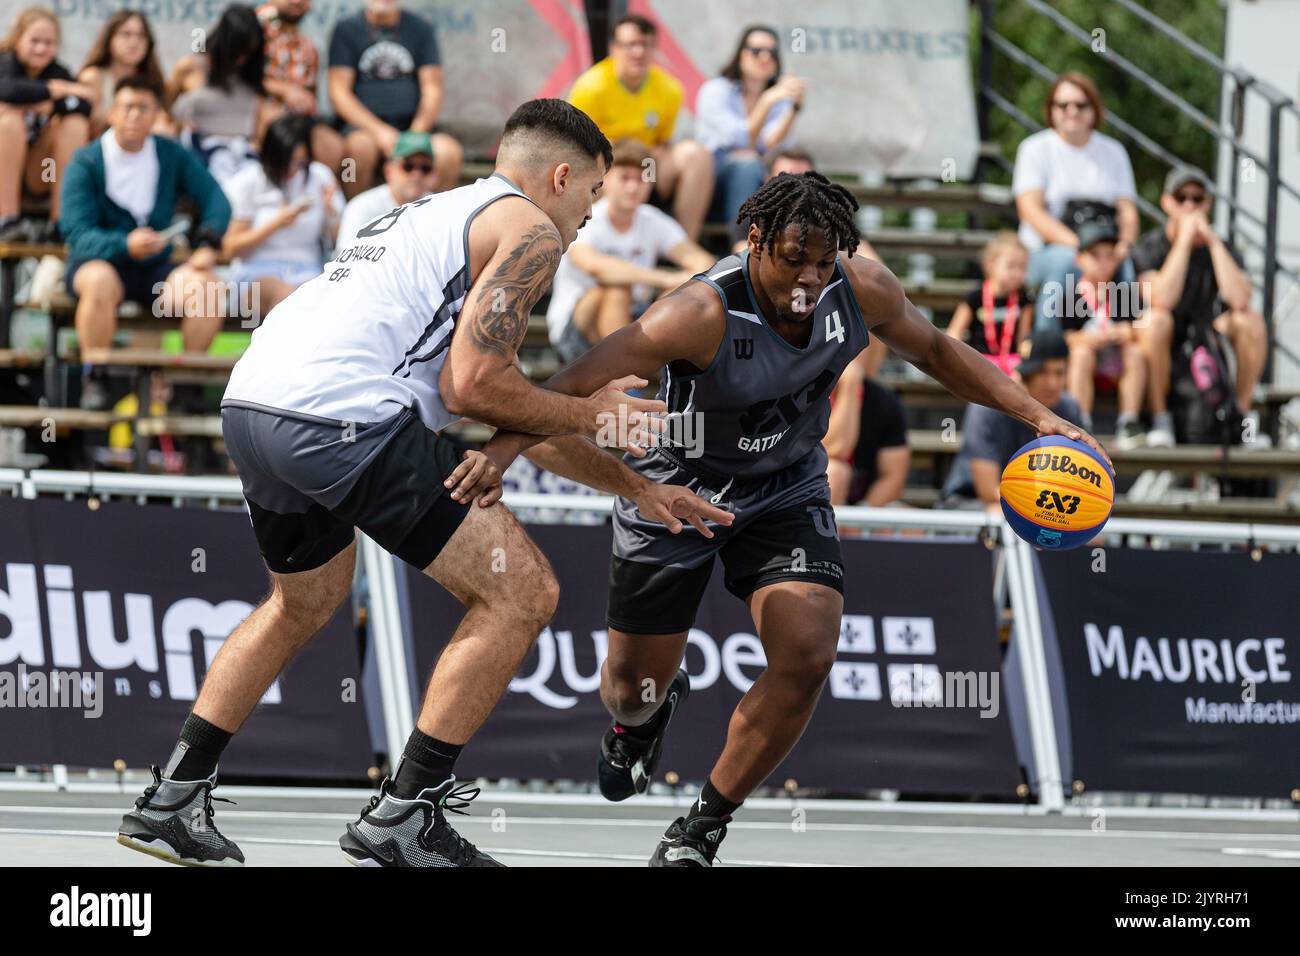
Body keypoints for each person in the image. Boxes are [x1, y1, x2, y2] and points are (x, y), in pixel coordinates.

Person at [114, 99, 730, 868]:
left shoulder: (433, 211)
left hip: (255, 404)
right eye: (593, 194)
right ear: (560, 177)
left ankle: (171, 797)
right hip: (339, 417)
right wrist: (586, 412)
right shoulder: (531, 230)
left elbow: (505, 401)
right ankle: (404, 813)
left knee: (299, 602)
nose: (589, 215)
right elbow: (474, 387)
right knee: (523, 592)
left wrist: (633, 486)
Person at [475, 172, 1110, 866]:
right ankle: (641, 723)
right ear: (755, 241)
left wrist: (1043, 418)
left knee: (808, 653)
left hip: (787, 487)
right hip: (679, 489)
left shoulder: (859, 288)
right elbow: (560, 391)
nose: (810, 277)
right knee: (630, 692)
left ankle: (702, 826)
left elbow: (934, 351)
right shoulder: (695, 313)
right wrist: (498, 457)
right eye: (793, 257)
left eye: (823, 259)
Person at [59, 76, 231, 410]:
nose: (135, 116)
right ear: (112, 113)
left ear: (155, 116)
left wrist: (207, 242)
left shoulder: (170, 154)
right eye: (127, 107)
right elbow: (76, 233)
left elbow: (216, 198)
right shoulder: (86, 161)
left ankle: (185, 384)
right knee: (98, 282)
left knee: (209, 289)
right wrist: (125, 244)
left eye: (143, 108)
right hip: (100, 264)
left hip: (155, 267)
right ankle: (96, 375)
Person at [1132, 166, 1264, 447]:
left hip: (1206, 334)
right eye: (1182, 198)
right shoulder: (1150, 246)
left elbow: (1240, 298)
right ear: (1167, 202)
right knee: (1156, 320)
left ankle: (1239, 419)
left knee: (1250, 320)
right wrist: (1183, 242)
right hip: (1163, 340)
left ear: (1208, 203)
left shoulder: (1221, 245)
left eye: (1197, 198)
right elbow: (1161, 299)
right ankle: (1160, 418)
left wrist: (1214, 243)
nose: (1190, 206)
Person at [546, 138, 713, 362]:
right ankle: (625, 379)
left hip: (631, 321)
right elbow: (598, 268)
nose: (634, 187)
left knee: (685, 291)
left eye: (642, 179)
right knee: (617, 290)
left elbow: (700, 260)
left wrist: (680, 285)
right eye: (625, 178)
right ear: (605, 180)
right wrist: (664, 279)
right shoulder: (588, 217)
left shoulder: (652, 219)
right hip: (574, 330)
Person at [568, 14, 713, 241]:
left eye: (644, 45)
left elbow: (662, 144)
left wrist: (642, 161)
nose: (638, 52)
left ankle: (684, 245)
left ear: (654, 49)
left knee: (697, 156)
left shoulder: (670, 89)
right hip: (605, 166)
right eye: (630, 45)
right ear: (613, 48)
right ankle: (578, 241)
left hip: (648, 166)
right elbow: (576, 147)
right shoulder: (590, 87)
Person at [1013, 72, 1138, 332]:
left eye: (1081, 105)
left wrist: (1122, 246)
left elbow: (1127, 210)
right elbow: (1030, 210)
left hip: (1103, 249)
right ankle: (1048, 350)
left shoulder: (1113, 152)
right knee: (1065, 264)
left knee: (1126, 268)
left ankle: (1125, 343)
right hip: (1046, 250)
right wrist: (1081, 248)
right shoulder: (1035, 149)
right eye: (1063, 105)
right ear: (1051, 109)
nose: (1072, 111)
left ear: (1094, 109)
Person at [327, 0, 463, 198]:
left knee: (448, 153)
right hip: (365, 129)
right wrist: (379, 132)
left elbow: (432, 89)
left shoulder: (421, 29)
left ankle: (437, 223)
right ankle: (355, 217)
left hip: (413, 126)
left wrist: (413, 136)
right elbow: (339, 93)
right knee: (358, 151)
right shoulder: (346, 30)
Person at [939, 331, 1085, 511]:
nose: (1052, 383)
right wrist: (1041, 510)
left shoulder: (1069, 408)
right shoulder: (988, 408)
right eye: (1043, 373)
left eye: (1059, 373)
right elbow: (987, 490)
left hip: (1041, 505)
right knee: (999, 513)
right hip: (970, 501)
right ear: (1026, 374)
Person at [222, 112, 343, 320]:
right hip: (256, 273)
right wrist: (276, 223)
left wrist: (330, 212)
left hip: (309, 272)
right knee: (286, 297)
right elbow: (230, 249)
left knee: (328, 300)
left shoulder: (320, 176)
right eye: (286, 162)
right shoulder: (250, 181)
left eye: (299, 162)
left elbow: (339, 242)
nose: (291, 170)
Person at [694, 26, 803, 244]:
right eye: (756, 50)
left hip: (758, 180)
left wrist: (794, 108)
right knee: (747, 164)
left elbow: (772, 144)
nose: (765, 57)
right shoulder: (715, 90)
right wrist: (766, 102)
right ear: (741, 54)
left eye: (772, 52)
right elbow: (743, 140)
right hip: (711, 183)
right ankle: (742, 245)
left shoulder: (778, 99)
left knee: (796, 171)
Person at [0, 6, 92, 242]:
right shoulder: (5, 63)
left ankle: (61, 221)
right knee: (9, 122)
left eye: (49, 42)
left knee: (74, 124)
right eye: (35, 41)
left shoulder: (55, 70)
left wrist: (52, 106)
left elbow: (83, 105)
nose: (41, 48)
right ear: (18, 39)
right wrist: (52, 90)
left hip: (38, 173)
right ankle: (6, 220)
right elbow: (8, 89)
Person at [1060, 220, 1146, 449]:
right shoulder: (1071, 295)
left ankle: (1129, 420)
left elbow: (1136, 330)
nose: (1103, 262)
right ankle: (1080, 421)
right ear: (1079, 259)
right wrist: (1087, 340)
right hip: (1086, 363)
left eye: (1109, 255)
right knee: (1080, 353)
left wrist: (1123, 332)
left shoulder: (1125, 293)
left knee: (1135, 353)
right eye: (1095, 255)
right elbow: (1067, 337)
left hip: (1117, 366)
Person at [168, 5, 270, 188]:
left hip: (243, 154)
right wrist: (179, 124)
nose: (241, 58)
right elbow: (163, 109)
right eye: (238, 50)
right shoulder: (191, 67)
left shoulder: (251, 76)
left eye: (248, 52)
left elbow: (259, 125)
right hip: (200, 151)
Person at [256, 0, 347, 179]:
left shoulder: (307, 45)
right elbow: (235, 73)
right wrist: (283, 89)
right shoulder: (257, 26)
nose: (297, 2)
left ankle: (314, 200)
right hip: (258, 109)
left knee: (332, 147)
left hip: (300, 119)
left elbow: (311, 95)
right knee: (273, 125)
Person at [823, 353, 910, 506]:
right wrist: (850, 385)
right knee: (834, 473)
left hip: (865, 505)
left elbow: (893, 476)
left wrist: (861, 518)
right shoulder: (807, 391)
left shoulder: (883, 400)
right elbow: (837, 449)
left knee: (913, 527)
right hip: (811, 493)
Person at [945, 231, 1032, 376]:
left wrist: (1025, 363)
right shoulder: (974, 299)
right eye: (1011, 266)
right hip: (980, 362)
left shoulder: (1024, 301)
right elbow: (955, 333)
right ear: (990, 264)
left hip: (1012, 365)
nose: (1017, 273)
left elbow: (1024, 339)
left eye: (1022, 267)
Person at [76, 10, 166, 140]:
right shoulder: (93, 77)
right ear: (110, 39)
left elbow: (163, 122)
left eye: (141, 36)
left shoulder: (152, 80)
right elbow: (87, 127)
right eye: (126, 34)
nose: (134, 42)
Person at [336, 129, 436, 243]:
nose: (417, 174)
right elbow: (343, 255)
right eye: (408, 166)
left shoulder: (438, 209)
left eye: (425, 168)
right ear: (389, 171)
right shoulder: (362, 206)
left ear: (434, 174)